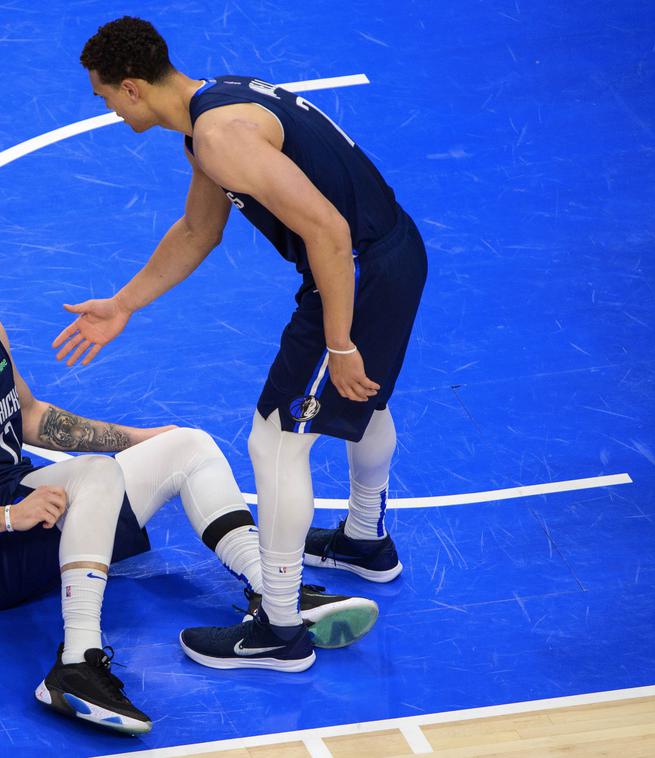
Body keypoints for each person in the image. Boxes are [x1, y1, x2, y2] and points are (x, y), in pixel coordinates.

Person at [0, 239, 378, 734]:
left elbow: (29, 415)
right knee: (94, 473)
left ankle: (275, 597)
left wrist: (140, 439)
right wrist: (12, 517)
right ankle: (77, 663)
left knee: (189, 444)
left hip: (24, 504)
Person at [57, 17, 427, 671]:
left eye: (105, 95)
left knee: (276, 438)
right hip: (384, 257)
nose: (107, 108)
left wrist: (339, 342)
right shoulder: (211, 117)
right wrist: (123, 304)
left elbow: (329, 231)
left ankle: (279, 628)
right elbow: (199, 230)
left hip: (355, 267)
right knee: (362, 402)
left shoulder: (220, 135)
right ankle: (364, 539)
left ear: (134, 88)